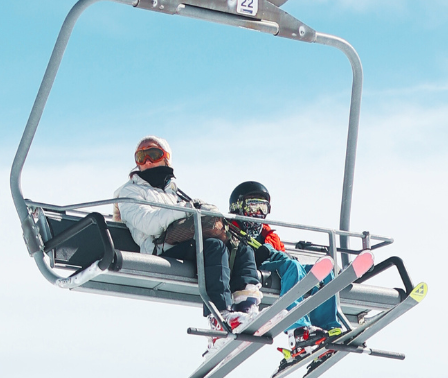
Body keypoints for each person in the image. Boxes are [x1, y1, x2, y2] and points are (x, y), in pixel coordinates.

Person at [115, 138, 261, 348]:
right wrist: (184, 210)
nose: (146, 161)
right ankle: (219, 318)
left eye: (153, 154)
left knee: (240, 247)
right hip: (159, 247)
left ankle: (246, 306)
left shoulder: (172, 192)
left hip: (181, 242)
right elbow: (148, 224)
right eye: (141, 157)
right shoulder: (130, 192)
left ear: (166, 158)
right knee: (213, 246)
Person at [227, 180, 343, 351]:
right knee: (292, 266)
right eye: (253, 207)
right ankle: (297, 329)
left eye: (263, 208)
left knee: (325, 275)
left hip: (280, 265)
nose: (258, 213)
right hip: (256, 267)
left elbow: (282, 254)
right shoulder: (231, 228)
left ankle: (326, 328)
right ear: (239, 206)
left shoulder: (269, 234)